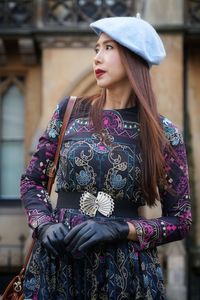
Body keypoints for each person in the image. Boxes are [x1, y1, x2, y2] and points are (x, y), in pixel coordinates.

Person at [20, 15, 192, 300]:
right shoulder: (69, 112)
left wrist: (121, 229)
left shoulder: (164, 133)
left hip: (126, 274)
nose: (97, 58)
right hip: (58, 264)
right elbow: (32, 181)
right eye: (96, 49)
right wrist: (44, 223)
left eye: (109, 48)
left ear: (134, 57)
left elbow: (180, 220)